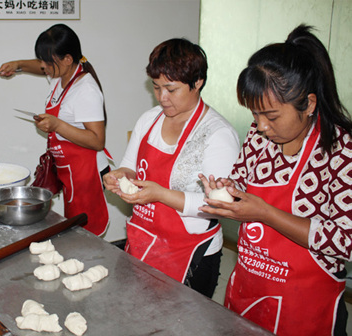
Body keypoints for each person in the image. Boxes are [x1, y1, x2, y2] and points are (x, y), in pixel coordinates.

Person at [199, 25, 352, 335]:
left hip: (305, 306)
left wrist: (265, 213)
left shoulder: (340, 150)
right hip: (249, 288)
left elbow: (345, 242)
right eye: (255, 115)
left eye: (271, 115)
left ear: (308, 104)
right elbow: (240, 179)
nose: (261, 126)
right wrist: (226, 191)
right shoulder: (259, 136)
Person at [103, 38, 240, 297]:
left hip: (189, 254)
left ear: (197, 82)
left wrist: (161, 194)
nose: (162, 98)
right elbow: (130, 168)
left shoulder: (217, 134)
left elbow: (221, 205)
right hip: (143, 242)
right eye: (156, 88)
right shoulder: (149, 120)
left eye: (171, 89)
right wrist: (120, 177)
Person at [0, 24, 110, 236]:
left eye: (48, 62)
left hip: (88, 174)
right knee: (74, 230)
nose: (43, 67)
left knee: (85, 236)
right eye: (42, 60)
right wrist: (18, 64)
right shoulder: (60, 76)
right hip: (69, 168)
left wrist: (57, 125)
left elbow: (97, 140)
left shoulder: (85, 89)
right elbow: (39, 67)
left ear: (68, 59)